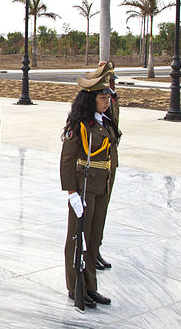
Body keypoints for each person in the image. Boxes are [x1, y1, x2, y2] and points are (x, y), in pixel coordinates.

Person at [60, 65, 119, 308]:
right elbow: (66, 160)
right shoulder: (79, 125)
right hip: (83, 186)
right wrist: (72, 192)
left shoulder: (105, 122)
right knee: (77, 238)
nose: (107, 102)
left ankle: (90, 286)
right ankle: (75, 287)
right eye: (103, 98)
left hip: (101, 186)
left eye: (108, 97)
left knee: (93, 239)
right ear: (90, 98)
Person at [95, 61, 119, 271]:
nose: (112, 87)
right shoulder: (93, 103)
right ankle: (90, 251)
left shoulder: (112, 102)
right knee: (92, 214)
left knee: (102, 210)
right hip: (94, 168)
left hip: (109, 163)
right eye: (109, 82)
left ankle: (96, 248)